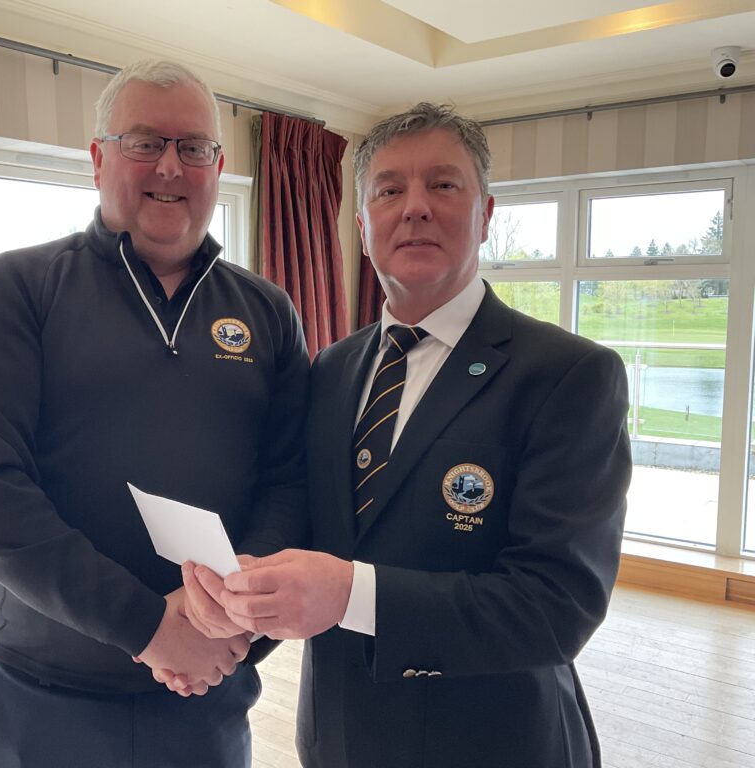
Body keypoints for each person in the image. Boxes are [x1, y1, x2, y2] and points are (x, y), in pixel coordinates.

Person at [185, 103, 632, 767]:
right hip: (340, 737)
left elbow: (555, 606)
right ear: (362, 226)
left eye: (443, 184)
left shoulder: (568, 376)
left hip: (492, 744)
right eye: (389, 190)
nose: (415, 207)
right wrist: (240, 598)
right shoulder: (332, 369)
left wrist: (351, 594)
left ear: (485, 213)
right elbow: (308, 526)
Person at [0, 59, 309, 767]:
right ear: (99, 158)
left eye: (193, 147)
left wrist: (235, 621)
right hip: (43, 701)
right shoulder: (20, 290)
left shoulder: (267, 311)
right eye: (144, 142)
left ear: (217, 167)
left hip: (207, 699)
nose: (170, 166)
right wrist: (149, 627)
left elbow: (291, 484)